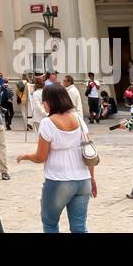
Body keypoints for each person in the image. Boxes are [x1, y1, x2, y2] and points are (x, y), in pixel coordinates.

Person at [16, 86, 95, 233]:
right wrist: (92, 179)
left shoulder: (48, 123)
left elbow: (41, 157)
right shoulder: (78, 119)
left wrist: (26, 156)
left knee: (50, 223)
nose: (43, 105)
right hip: (83, 180)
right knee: (79, 227)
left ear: (50, 102)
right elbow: (89, 152)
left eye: (43, 101)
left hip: (59, 180)